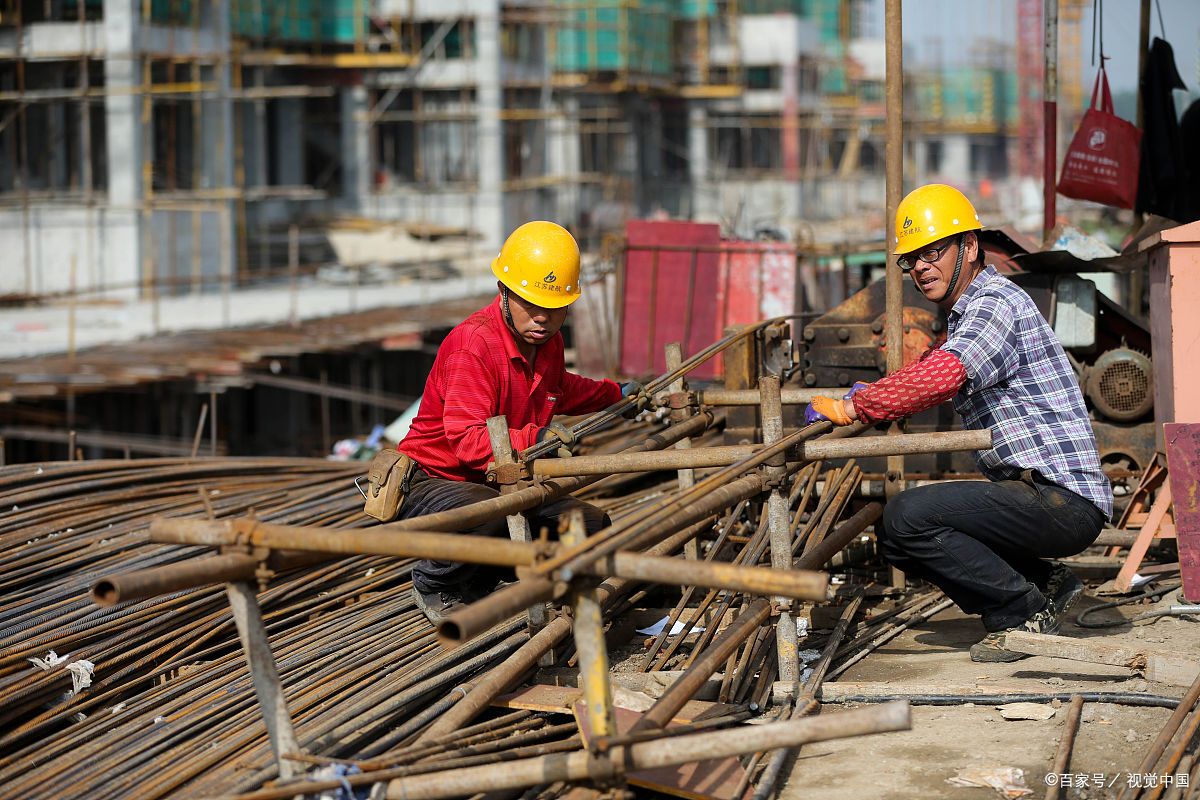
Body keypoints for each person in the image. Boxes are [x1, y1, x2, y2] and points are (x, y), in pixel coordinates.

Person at [805, 184, 1112, 662]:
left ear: (970, 247)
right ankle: (1047, 582)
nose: (921, 267)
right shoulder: (967, 313)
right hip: (1037, 493)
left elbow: (943, 375)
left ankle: (1021, 612)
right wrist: (866, 395)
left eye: (932, 252)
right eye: (911, 260)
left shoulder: (995, 304)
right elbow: (928, 369)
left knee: (908, 517)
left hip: (1060, 499)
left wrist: (855, 408)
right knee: (896, 537)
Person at [397, 221, 640, 624]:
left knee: (589, 525)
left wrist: (616, 395)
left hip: (497, 480)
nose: (543, 318)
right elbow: (468, 440)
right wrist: (538, 438)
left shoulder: (547, 343)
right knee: (491, 513)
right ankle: (435, 582)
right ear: (504, 292)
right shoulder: (472, 345)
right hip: (434, 481)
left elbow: (564, 388)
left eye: (555, 308)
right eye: (531, 304)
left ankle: (480, 575)